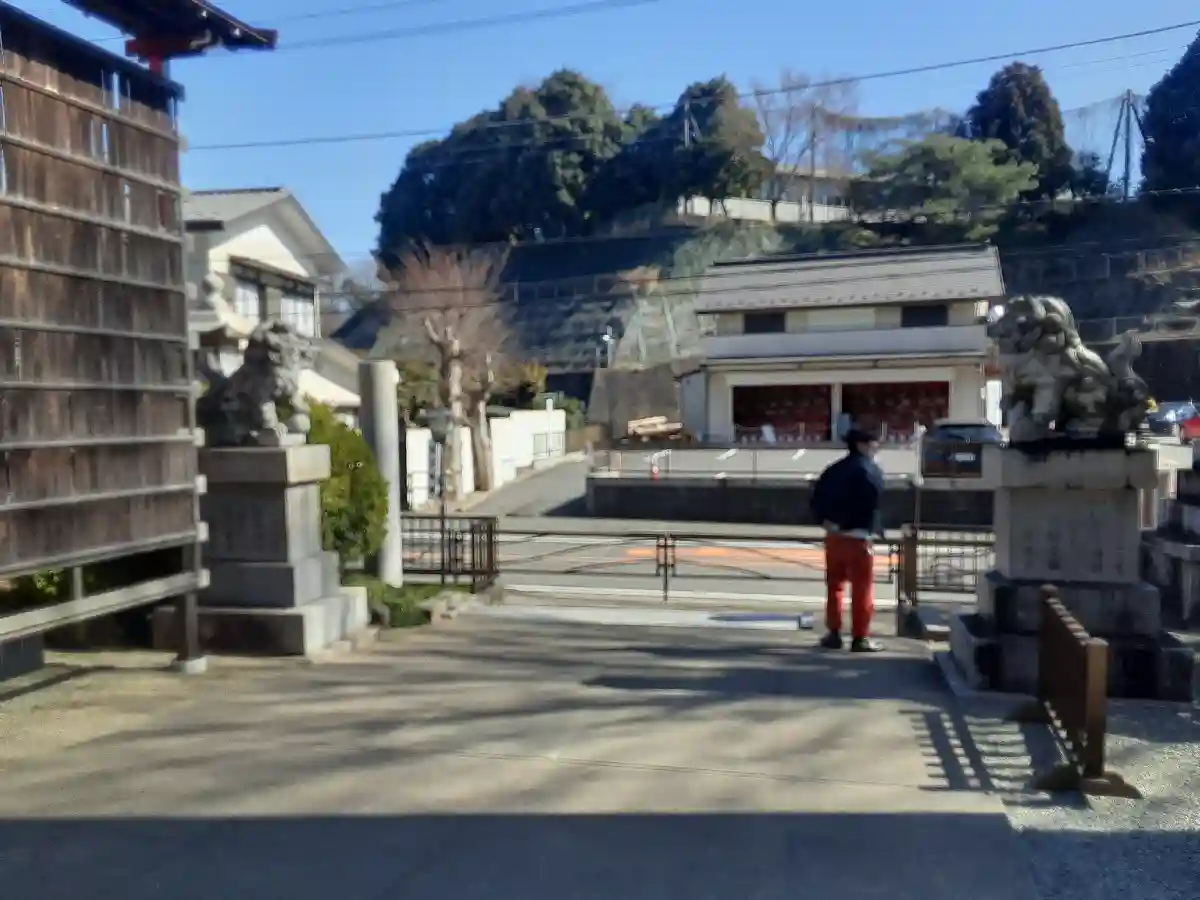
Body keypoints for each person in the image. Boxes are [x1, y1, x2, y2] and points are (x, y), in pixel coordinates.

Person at [810, 426, 885, 652]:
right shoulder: (870, 469)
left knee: (835, 586)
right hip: (859, 536)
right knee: (862, 588)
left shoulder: (834, 469)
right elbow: (873, 500)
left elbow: (816, 498)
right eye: (873, 443)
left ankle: (833, 633)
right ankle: (860, 637)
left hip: (834, 536)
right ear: (861, 445)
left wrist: (827, 520)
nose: (876, 447)